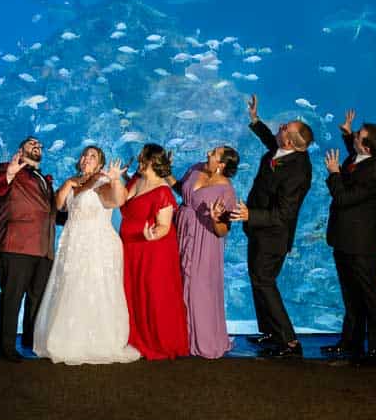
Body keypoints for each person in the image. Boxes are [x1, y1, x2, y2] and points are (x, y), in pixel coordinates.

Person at [33, 146, 140, 365]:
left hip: (97, 244)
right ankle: (67, 338)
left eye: (92, 156)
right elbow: (59, 205)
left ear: (100, 164)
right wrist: (67, 185)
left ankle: (97, 340)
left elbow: (117, 200)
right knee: (69, 289)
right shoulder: (73, 180)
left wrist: (116, 180)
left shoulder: (101, 182)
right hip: (73, 243)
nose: (86, 158)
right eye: (84, 155)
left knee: (94, 289)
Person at [231, 94, 313, 360]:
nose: (280, 127)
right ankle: (269, 332)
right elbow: (271, 141)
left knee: (265, 282)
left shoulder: (299, 171)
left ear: (289, 141)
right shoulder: (283, 150)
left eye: (284, 129)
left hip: (273, 235)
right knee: (257, 280)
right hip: (258, 230)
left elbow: (284, 214)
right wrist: (256, 120)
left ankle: (289, 341)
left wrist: (249, 214)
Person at [322, 109, 376, 365]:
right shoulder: (364, 157)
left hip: (362, 243)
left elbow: (343, 198)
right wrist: (348, 133)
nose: (354, 140)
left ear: (368, 146)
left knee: (371, 294)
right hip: (344, 239)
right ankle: (349, 341)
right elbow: (356, 159)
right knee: (351, 295)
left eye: (358, 137)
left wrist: (334, 173)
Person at [0, 137, 57, 362]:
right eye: (31, 143)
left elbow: (52, 212)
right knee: (13, 296)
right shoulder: (8, 169)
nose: (36, 145)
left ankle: (30, 340)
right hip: (16, 244)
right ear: (20, 150)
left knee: (37, 296)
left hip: (44, 247)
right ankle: (6, 347)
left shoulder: (46, 180)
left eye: (39, 144)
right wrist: (9, 173)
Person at [169, 145, 239, 359]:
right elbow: (183, 190)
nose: (208, 153)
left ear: (222, 164)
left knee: (200, 288)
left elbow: (223, 231)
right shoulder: (196, 168)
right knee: (179, 283)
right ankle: (181, 338)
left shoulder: (227, 192)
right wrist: (166, 173)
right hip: (182, 231)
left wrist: (217, 218)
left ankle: (204, 340)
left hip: (205, 239)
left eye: (214, 153)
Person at [120, 143, 189, 360]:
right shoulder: (136, 180)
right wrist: (114, 178)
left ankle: (158, 341)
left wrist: (153, 235)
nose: (139, 160)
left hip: (153, 250)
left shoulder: (162, 191)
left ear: (150, 160)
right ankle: (135, 337)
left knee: (153, 293)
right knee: (133, 292)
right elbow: (121, 199)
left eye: (142, 157)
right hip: (131, 248)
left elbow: (164, 226)